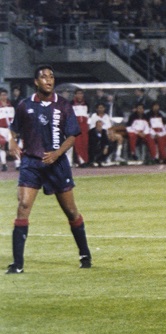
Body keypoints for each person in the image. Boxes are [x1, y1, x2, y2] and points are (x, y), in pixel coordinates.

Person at [6, 64, 94, 274]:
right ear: (36, 82)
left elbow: (72, 135)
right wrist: (12, 141)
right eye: (44, 77)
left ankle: (85, 254)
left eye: (51, 77)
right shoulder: (24, 105)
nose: (49, 80)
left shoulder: (63, 105)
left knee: (71, 211)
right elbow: (14, 129)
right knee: (23, 205)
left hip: (57, 164)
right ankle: (17, 264)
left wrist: (57, 153)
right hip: (31, 163)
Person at [70, 89, 90, 166]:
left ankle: (85, 159)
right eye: (78, 93)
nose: (80, 95)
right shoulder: (71, 103)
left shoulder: (86, 103)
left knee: (85, 142)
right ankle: (80, 161)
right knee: (78, 143)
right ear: (75, 95)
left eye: (81, 93)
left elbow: (88, 115)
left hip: (84, 126)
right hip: (76, 125)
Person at [0, 89, 14, 172]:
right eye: (2, 95)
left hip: (10, 129)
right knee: (1, 146)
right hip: (1, 129)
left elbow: (14, 118)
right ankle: (4, 164)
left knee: (14, 146)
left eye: (5, 95)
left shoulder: (10, 106)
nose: (4, 96)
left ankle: (18, 164)